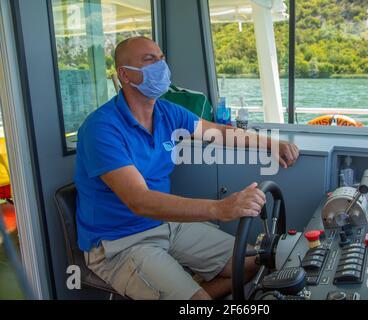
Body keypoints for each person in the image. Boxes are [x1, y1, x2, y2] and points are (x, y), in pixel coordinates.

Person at [74, 36, 300, 300]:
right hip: (120, 241)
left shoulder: (167, 113)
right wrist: (220, 208)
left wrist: (270, 143)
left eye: (161, 59)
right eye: (149, 60)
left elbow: (219, 132)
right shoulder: (101, 128)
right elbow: (140, 201)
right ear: (124, 74)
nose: (161, 66)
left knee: (250, 262)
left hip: (165, 224)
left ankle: (189, 293)